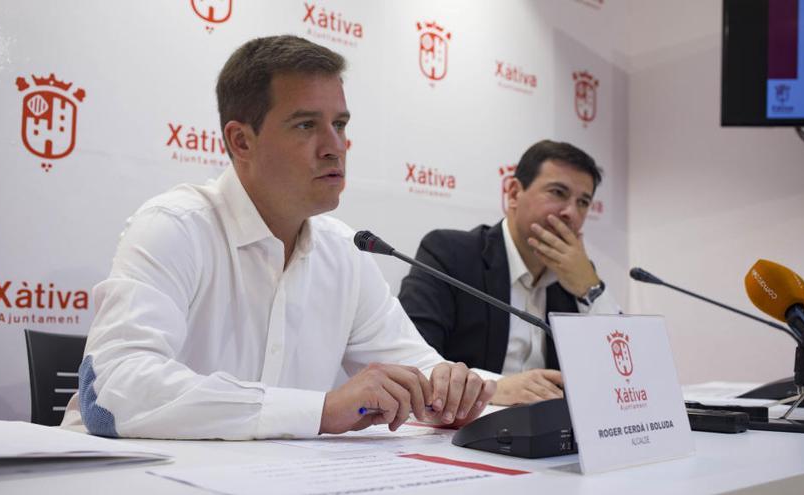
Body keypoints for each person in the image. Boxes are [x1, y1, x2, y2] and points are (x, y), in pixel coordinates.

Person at [60, 35, 496, 440]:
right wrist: (321, 410)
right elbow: (112, 390)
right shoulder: (174, 226)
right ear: (241, 140)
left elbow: (418, 370)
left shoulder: (347, 251)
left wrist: (444, 391)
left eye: (340, 124)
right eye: (306, 125)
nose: (334, 146)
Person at [398, 140, 621, 406]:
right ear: (514, 193)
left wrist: (591, 290)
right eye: (558, 193)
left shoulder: (579, 276)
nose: (570, 213)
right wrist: (494, 388)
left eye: (583, 202)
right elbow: (411, 362)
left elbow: (622, 373)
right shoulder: (449, 255)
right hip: (465, 434)